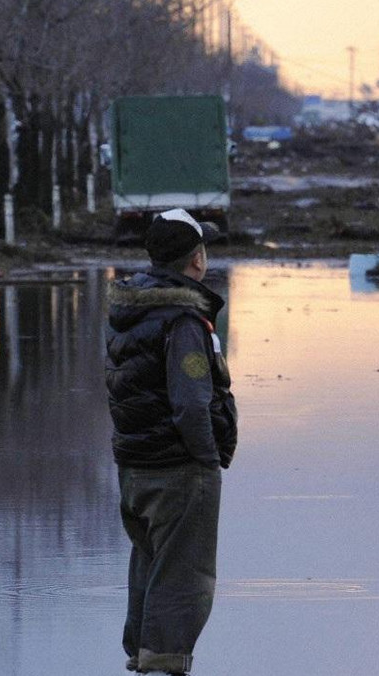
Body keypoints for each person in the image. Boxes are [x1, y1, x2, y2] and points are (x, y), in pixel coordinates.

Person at [105, 208, 238, 675]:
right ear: (196, 259)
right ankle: (161, 663)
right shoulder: (183, 323)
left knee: (150, 568)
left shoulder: (130, 311)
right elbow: (190, 400)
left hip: (134, 469)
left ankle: (143, 657)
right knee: (183, 578)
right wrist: (207, 460)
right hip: (178, 470)